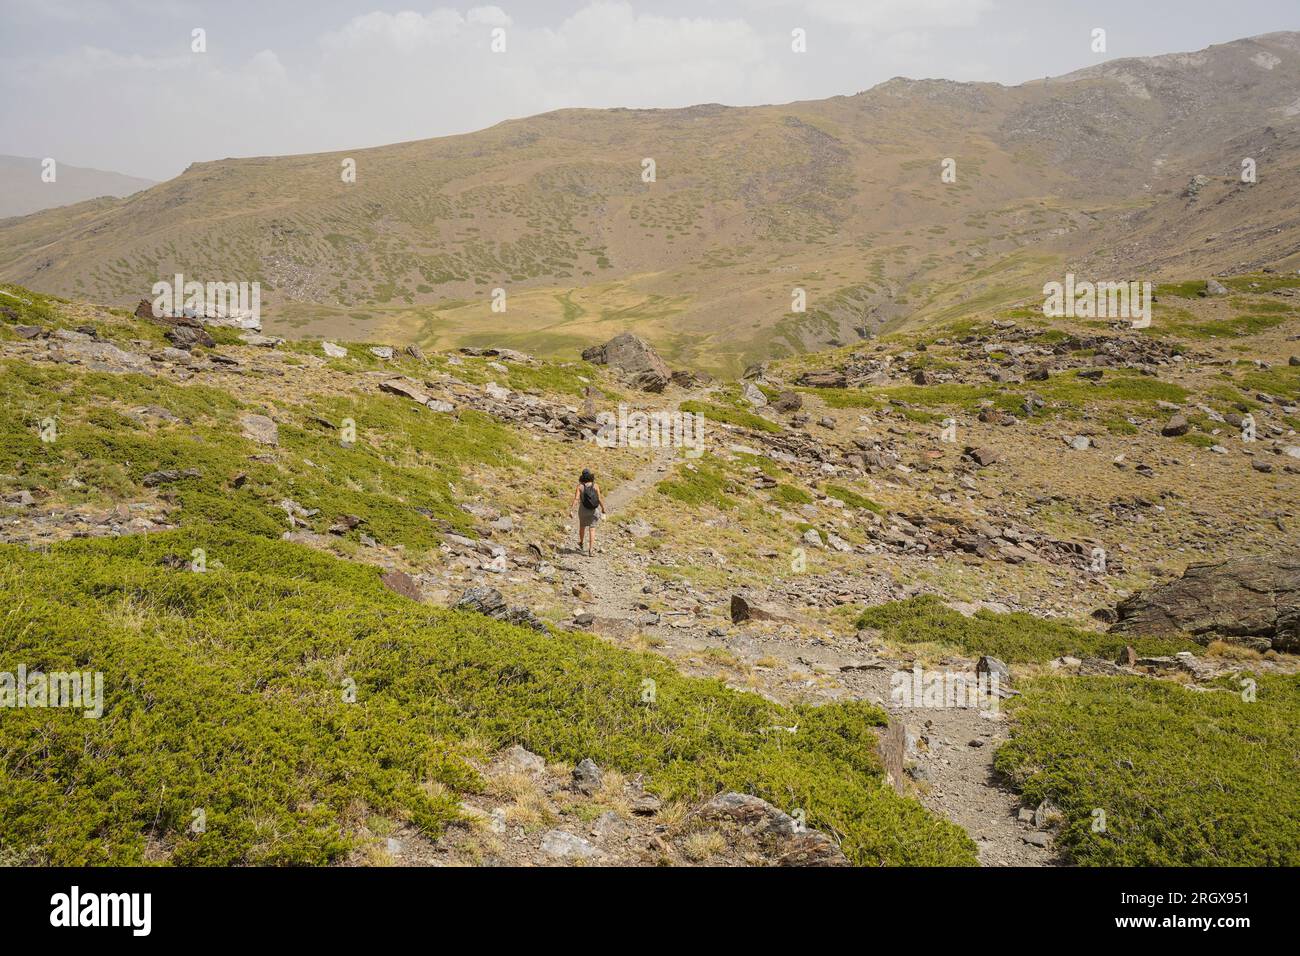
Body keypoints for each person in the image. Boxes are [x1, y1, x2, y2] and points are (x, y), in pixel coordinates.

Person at [571, 468, 606, 555]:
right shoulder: (595, 486)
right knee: (592, 529)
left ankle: (581, 543)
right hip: (593, 511)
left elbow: (576, 499)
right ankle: (591, 550)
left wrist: (571, 510)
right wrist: (603, 509)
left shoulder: (580, 486)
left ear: (582, 477)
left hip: (583, 511)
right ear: (590, 476)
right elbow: (599, 499)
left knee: (582, 526)